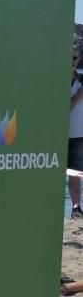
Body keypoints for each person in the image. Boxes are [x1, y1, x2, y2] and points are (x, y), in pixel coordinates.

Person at [68, 49, 83, 218]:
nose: (73, 60)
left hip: (79, 135)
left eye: (75, 57)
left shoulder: (81, 79)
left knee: (75, 173)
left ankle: (76, 208)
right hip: (57, 134)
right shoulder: (56, 78)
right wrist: (78, 98)